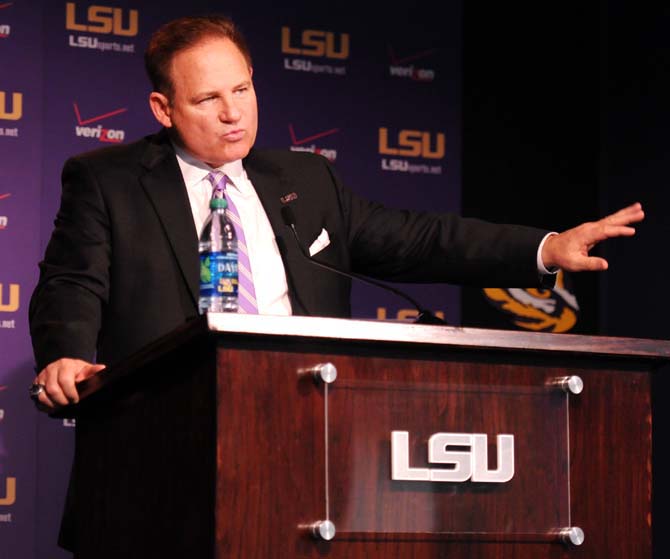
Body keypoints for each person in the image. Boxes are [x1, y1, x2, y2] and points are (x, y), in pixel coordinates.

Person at [29, 14, 644, 414]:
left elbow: (418, 239)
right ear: (163, 109)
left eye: (241, 90)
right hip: (162, 429)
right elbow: (72, 284)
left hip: (309, 418)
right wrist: (66, 356)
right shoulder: (107, 182)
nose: (232, 113)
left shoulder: (303, 179)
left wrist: (544, 248)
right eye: (207, 98)